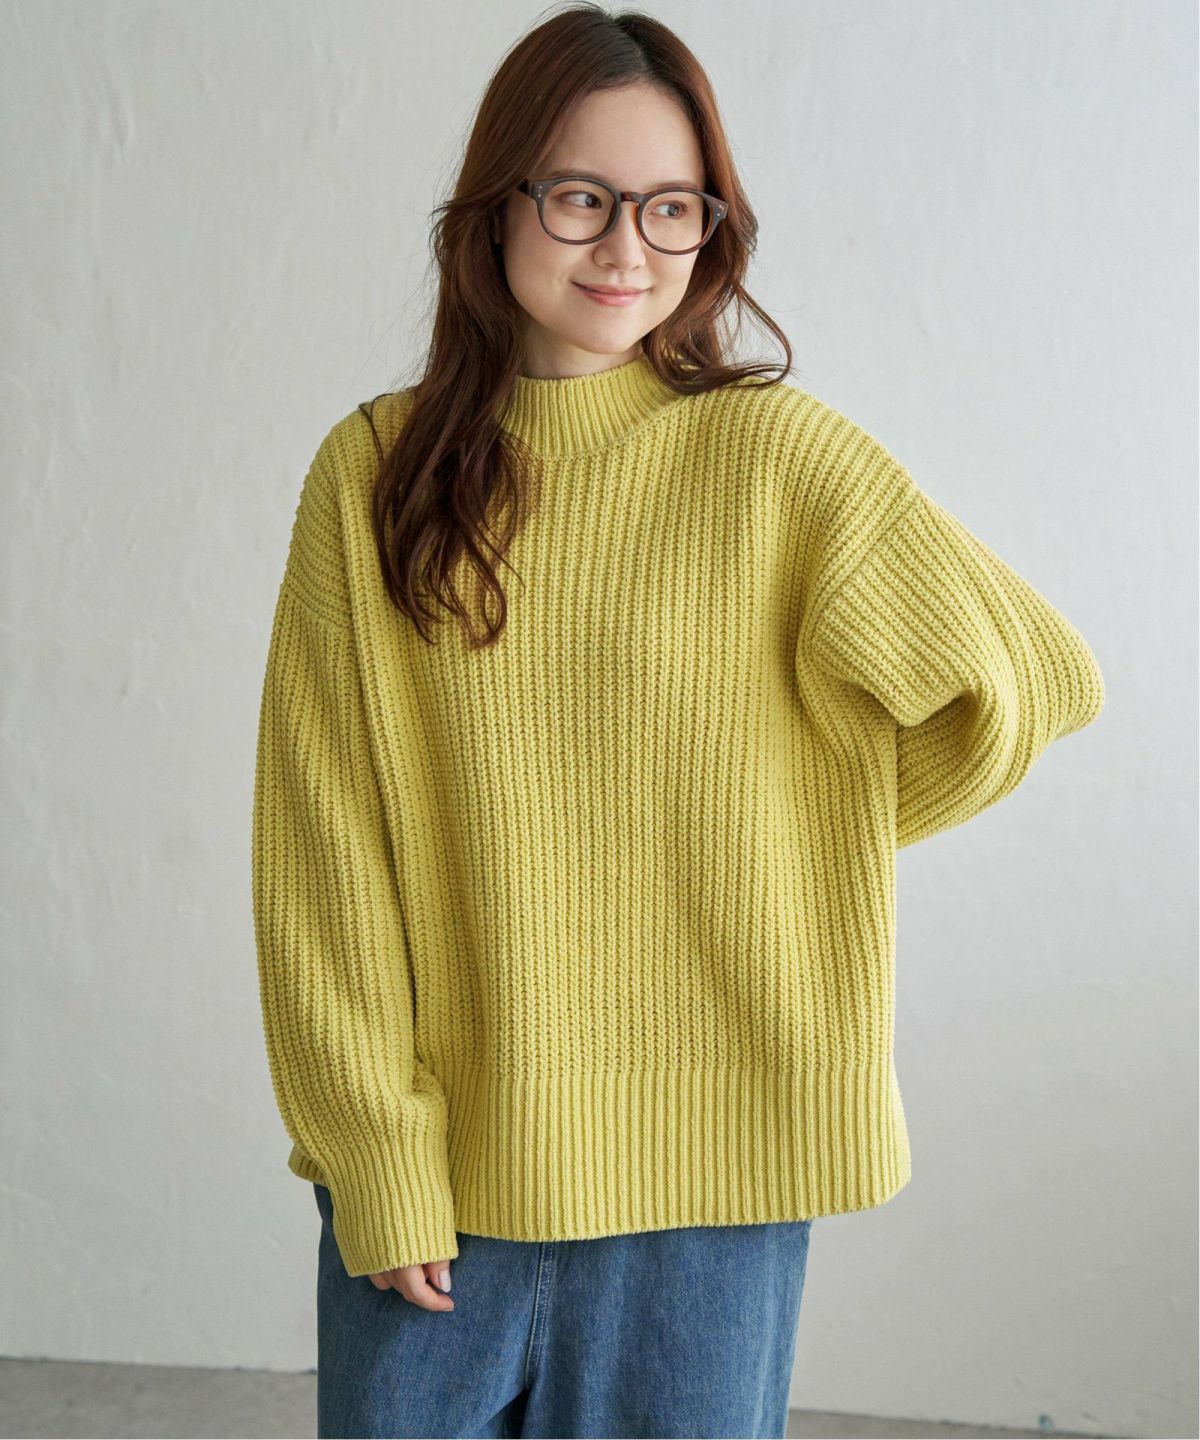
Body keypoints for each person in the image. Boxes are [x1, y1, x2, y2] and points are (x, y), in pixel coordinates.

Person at [250, 7, 1105, 1438]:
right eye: (581, 196)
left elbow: (1029, 680)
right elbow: (321, 853)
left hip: (716, 1203)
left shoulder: (777, 462)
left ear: (713, 228)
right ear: (499, 202)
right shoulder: (376, 476)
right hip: (444, 1182)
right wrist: (374, 1153)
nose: (627, 247)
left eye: (672, 206)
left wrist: (798, 821)